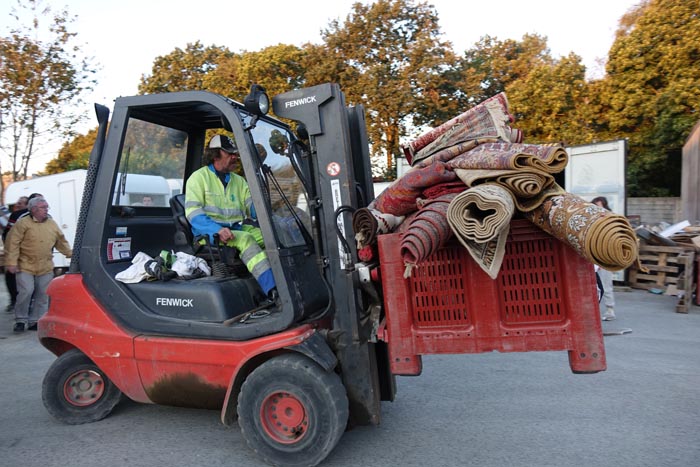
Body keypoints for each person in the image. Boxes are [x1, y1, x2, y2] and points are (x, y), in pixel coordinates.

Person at [185, 135, 276, 299]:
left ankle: (282, 281)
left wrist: (263, 199)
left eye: (235, 153)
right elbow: (193, 213)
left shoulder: (239, 181)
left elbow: (254, 210)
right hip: (209, 235)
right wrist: (217, 229)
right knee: (246, 239)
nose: (235, 157)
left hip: (236, 228)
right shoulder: (198, 178)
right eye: (230, 153)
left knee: (273, 236)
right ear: (215, 154)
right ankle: (274, 291)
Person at [4, 197, 72, 332]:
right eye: (43, 207)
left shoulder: (52, 223)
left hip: (45, 265)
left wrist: (70, 254)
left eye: (47, 207)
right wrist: (11, 262)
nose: (46, 209)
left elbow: (61, 241)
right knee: (26, 292)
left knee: (43, 294)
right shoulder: (22, 223)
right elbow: (12, 243)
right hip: (25, 264)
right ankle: (21, 320)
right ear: (34, 209)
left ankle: (36, 321)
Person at [2, 195, 32, 313]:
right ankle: (16, 301)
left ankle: (18, 303)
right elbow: (7, 234)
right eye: (17, 202)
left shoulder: (17, 215)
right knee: (13, 276)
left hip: (21, 252)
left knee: (18, 278)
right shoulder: (16, 215)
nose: (18, 205)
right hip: (15, 251)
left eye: (21, 203)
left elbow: (8, 233)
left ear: (27, 205)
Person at [592, 196, 616, 321]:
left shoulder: (609, 223)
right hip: (593, 260)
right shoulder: (592, 223)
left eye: (600, 207)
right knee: (594, 287)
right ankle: (594, 312)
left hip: (605, 258)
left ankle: (610, 310)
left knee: (606, 286)